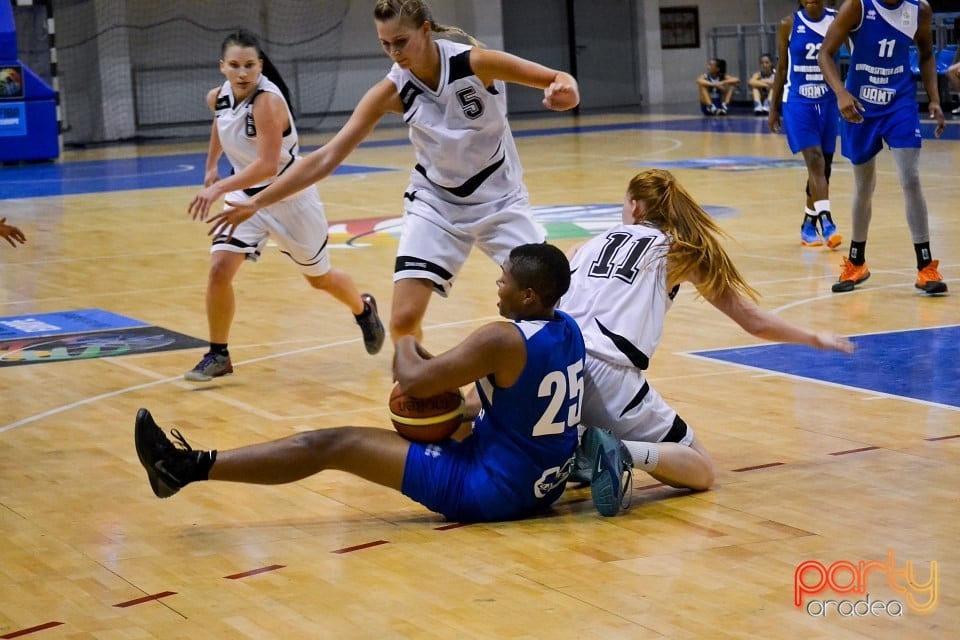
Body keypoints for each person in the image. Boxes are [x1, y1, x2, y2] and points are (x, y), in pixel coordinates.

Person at [209, 0, 580, 344]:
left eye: (400, 41)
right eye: (385, 44)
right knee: (403, 321)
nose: (394, 52)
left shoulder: (476, 63)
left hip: (501, 202)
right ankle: (427, 405)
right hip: (436, 205)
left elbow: (558, 79)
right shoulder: (392, 90)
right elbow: (327, 157)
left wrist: (566, 93)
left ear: (425, 30)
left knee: (550, 302)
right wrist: (257, 202)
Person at [134, 243, 587, 523]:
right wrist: (450, 399)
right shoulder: (567, 328)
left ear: (529, 295)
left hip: (491, 490)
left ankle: (183, 468)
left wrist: (405, 337)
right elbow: (499, 404)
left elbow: (413, 379)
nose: (498, 285)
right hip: (539, 485)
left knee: (333, 444)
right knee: (446, 415)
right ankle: (184, 466)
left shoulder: (501, 338)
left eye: (504, 282)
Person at [558, 169, 855, 516]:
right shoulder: (677, 250)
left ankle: (570, 449)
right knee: (701, 470)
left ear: (636, 207)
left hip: (558, 369)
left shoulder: (582, 247)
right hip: (612, 379)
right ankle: (623, 452)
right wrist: (812, 337)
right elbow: (753, 322)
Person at [183, 29, 385, 382]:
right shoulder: (220, 96)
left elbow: (266, 166)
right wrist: (211, 166)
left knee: (319, 279)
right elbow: (220, 122)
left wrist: (217, 190)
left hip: (287, 194)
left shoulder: (268, 102)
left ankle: (363, 308)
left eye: (249, 65)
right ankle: (219, 354)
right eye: (235, 65)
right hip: (246, 196)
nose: (242, 72)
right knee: (219, 271)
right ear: (223, 67)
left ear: (260, 65)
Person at [818, 0, 947, 294]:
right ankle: (856, 261)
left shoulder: (919, 10)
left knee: (910, 178)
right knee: (864, 185)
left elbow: (927, 53)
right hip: (860, 105)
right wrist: (841, 94)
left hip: (899, 103)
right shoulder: (857, 7)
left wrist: (935, 99)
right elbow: (825, 53)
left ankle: (925, 265)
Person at [768, 0, 843, 249]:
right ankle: (827, 221)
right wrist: (773, 107)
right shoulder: (788, 24)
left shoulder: (838, 18)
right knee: (814, 159)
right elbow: (781, 67)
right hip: (798, 100)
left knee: (825, 168)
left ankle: (807, 224)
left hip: (829, 100)